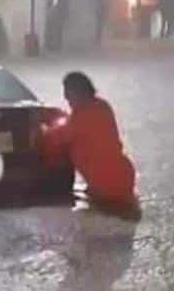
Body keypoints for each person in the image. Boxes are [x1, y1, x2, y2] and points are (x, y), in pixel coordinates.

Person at [39, 72, 138, 215]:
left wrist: (41, 128)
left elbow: (54, 138)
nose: (65, 97)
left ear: (77, 92)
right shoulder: (102, 106)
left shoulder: (82, 116)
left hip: (106, 184)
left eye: (67, 92)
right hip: (124, 177)